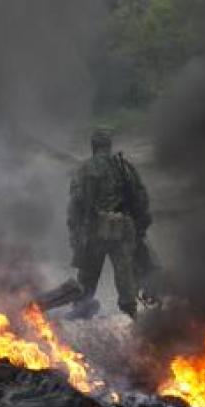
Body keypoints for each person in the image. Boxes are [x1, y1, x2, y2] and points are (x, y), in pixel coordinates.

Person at [67, 129, 153, 319]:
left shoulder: (84, 169)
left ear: (93, 147)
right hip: (121, 230)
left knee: (88, 274)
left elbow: (75, 203)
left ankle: (81, 312)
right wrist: (140, 227)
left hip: (94, 230)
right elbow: (141, 197)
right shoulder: (124, 167)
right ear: (109, 146)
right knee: (124, 273)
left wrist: (75, 232)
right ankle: (129, 313)